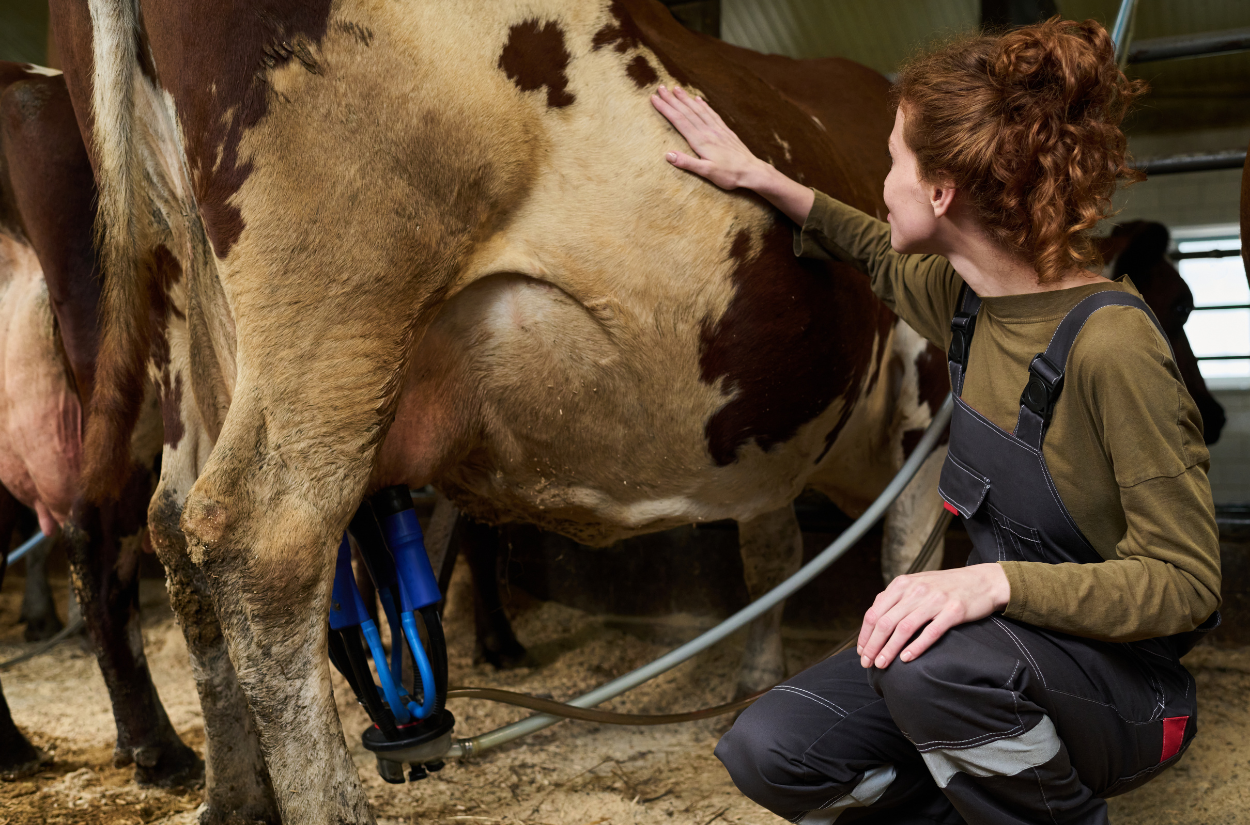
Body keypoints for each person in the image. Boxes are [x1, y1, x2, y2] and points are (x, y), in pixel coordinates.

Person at [650, 17, 1221, 825]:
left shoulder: (1113, 344)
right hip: (996, 656)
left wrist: (990, 580)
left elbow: (1188, 582)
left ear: (942, 193)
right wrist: (762, 178)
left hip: (1128, 687)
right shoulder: (967, 303)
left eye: (893, 162)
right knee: (769, 746)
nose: (883, 182)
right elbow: (871, 250)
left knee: (932, 667)